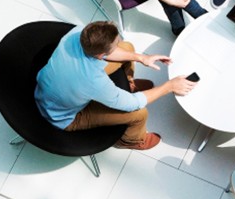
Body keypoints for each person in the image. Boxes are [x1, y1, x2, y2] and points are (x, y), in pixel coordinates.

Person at [34, 21, 197, 150]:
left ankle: (129, 86)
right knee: (139, 113)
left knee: (128, 48)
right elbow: (132, 104)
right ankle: (132, 141)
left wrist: (140, 58)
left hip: (56, 86)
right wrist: (169, 86)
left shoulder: (77, 33)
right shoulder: (94, 81)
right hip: (64, 117)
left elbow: (113, 52)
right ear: (101, 55)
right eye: (114, 45)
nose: (119, 42)